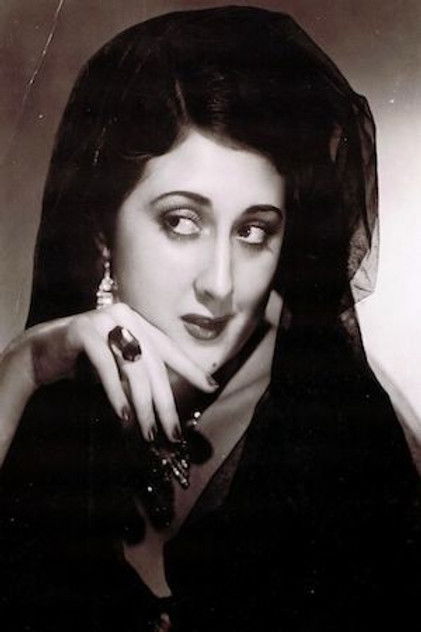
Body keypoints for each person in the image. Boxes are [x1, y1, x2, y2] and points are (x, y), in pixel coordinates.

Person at [0, 6, 419, 632]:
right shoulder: (52, 397)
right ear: (102, 230)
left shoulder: (338, 429)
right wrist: (24, 365)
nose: (220, 284)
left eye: (254, 231)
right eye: (182, 221)